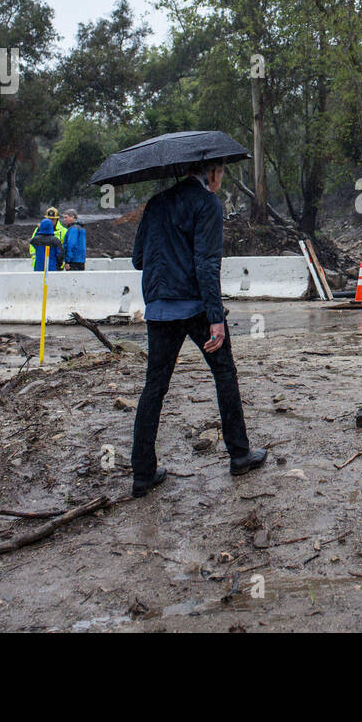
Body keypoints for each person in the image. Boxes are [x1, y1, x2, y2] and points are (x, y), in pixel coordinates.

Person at [129, 160, 267, 497]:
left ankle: (143, 474)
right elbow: (207, 263)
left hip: (160, 308)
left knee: (154, 387)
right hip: (195, 307)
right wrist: (216, 317)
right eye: (221, 171)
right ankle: (239, 454)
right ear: (211, 171)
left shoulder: (156, 204)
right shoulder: (207, 204)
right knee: (224, 374)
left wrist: (168, 253)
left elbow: (137, 259)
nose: (221, 177)